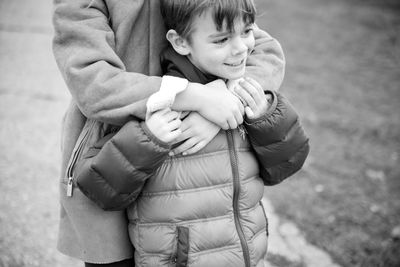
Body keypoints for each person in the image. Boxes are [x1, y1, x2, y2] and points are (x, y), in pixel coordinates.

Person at [71, 0, 310, 266]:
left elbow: (288, 162)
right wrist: (161, 128)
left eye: (247, 32)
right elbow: (102, 187)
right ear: (180, 42)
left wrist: (237, 105)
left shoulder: (248, 98)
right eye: (222, 40)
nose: (241, 47)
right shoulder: (162, 124)